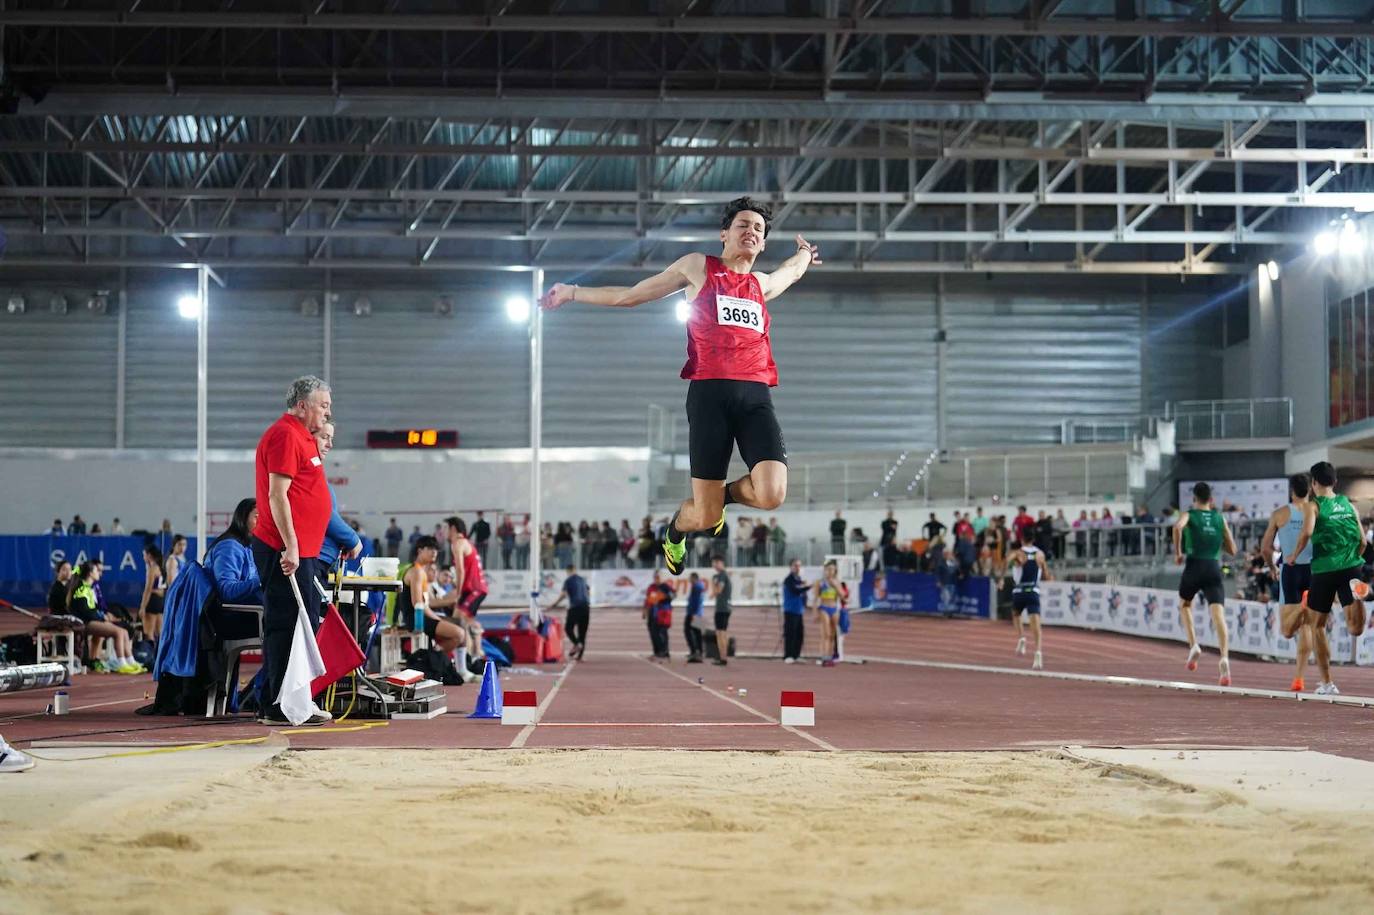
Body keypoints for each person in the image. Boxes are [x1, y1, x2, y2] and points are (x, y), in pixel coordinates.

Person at [542, 197, 820, 575]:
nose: (751, 232)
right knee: (705, 517)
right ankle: (675, 531)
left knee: (771, 495)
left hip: (756, 397)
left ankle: (719, 498)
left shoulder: (760, 284)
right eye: (743, 225)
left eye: (758, 228)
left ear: (763, 243)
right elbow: (630, 296)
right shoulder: (698, 267)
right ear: (724, 234)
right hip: (709, 397)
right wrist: (571, 291)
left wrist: (804, 253)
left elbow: (792, 271)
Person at [251, 375, 335, 726]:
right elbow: (276, 495)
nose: (328, 411)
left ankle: (294, 701)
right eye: (323, 405)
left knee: (301, 625)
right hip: (284, 549)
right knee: (286, 625)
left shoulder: (303, 437)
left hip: (303, 550)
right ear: (303, 406)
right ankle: (278, 705)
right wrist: (291, 545)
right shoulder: (286, 435)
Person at [1289, 461, 1369, 662]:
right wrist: (1353, 560)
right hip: (1351, 569)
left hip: (1324, 571)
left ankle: (1327, 683)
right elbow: (1363, 541)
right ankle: (1359, 593)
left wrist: (1293, 555)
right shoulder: (1349, 505)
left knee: (1317, 626)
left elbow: (1306, 532)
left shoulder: (1313, 506)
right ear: (1335, 481)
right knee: (1356, 629)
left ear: (1313, 483)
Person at [1260, 474, 1332, 694]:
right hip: (1314, 570)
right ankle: (1299, 678)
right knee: (1310, 626)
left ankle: (1299, 679)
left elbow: (1265, 548)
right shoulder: (1316, 510)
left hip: (1290, 570)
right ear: (1310, 489)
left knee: (1288, 630)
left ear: (1291, 490)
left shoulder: (1280, 514)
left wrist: (1272, 568)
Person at [1172, 482, 1238, 686]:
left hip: (1193, 566)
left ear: (1194, 498)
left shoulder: (1190, 514)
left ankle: (1194, 645)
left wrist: (1178, 553)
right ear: (1211, 499)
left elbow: (1177, 527)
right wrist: (1218, 542)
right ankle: (1224, 657)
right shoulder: (1219, 518)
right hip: (1213, 567)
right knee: (1218, 614)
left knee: (1184, 604)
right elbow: (1233, 550)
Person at [397, 537, 473, 678]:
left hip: (424, 615)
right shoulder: (416, 572)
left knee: (460, 624)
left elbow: (426, 602)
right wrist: (438, 619)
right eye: (430, 549)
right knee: (459, 634)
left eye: (436, 550)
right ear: (420, 550)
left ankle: (456, 667)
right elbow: (418, 605)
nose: (434, 553)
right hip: (416, 619)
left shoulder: (422, 572)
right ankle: (432, 660)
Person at [67, 560, 141, 674]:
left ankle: (131, 661)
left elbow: (94, 607)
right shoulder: (81, 590)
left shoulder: (89, 588)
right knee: (118, 632)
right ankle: (121, 664)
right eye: (97, 570)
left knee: (124, 631)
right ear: (90, 573)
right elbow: (86, 611)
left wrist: (104, 616)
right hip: (84, 623)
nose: (99, 573)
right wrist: (103, 618)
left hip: (92, 620)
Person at [313, 421, 364, 579]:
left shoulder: (316, 471)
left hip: (322, 558)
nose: (330, 444)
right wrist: (352, 538)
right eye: (324, 437)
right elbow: (324, 513)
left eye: (331, 439)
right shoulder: (308, 471)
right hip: (315, 557)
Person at [437, 516, 487, 675]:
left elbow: (460, 570)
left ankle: (470, 660)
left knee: (459, 622)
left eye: (445, 528)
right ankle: (470, 659)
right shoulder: (467, 543)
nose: (443, 532)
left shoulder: (457, 544)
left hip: (472, 589)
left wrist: (458, 592)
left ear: (453, 529)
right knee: (464, 622)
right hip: (475, 588)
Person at [1008, 531, 1051, 671]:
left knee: (1015, 614)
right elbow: (1046, 574)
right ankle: (1038, 651)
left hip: (1019, 591)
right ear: (1033, 540)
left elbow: (1006, 560)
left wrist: (1002, 577)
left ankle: (1021, 637)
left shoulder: (1018, 553)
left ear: (1021, 539)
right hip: (1033, 591)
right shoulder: (1040, 554)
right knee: (1036, 623)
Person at [547, 564, 591, 661]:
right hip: (586, 607)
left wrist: (552, 605)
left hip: (575, 607)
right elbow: (588, 591)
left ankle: (576, 644)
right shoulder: (582, 580)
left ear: (568, 571)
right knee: (582, 632)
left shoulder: (568, 581)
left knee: (568, 628)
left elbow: (563, 595)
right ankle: (580, 656)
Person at [812, 559, 843, 667]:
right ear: (824, 571)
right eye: (828, 569)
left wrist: (836, 587)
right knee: (826, 634)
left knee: (832, 635)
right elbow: (815, 599)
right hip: (824, 608)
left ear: (835, 571)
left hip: (834, 609)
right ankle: (824, 656)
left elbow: (843, 596)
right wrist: (815, 612)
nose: (830, 572)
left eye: (832, 570)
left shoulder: (837, 582)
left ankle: (830, 657)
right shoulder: (819, 582)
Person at [781, 559, 808, 663]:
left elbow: (802, 592)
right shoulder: (789, 580)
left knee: (799, 633)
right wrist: (808, 587)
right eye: (795, 565)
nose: (797, 568)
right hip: (790, 610)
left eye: (799, 566)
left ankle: (796, 654)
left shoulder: (799, 579)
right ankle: (788, 655)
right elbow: (796, 591)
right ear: (790, 567)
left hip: (799, 610)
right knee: (790, 633)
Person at [138, 543, 167, 644]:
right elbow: (162, 589)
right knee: (160, 633)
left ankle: (150, 657)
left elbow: (148, 589)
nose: (143, 557)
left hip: (152, 602)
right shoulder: (161, 568)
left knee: (149, 633)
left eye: (144, 555)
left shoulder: (152, 569)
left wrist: (142, 607)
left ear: (149, 555)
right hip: (160, 602)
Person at [643, 570, 674, 660]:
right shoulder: (651, 587)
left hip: (663, 613)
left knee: (662, 632)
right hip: (652, 612)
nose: (656, 579)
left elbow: (673, 595)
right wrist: (645, 611)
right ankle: (656, 651)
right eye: (655, 577)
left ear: (661, 578)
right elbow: (648, 600)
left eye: (658, 577)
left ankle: (665, 651)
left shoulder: (665, 587)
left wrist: (663, 596)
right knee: (653, 633)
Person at [709, 555, 733, 666]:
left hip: (722, 608)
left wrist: (713, 585)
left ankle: (723, 657)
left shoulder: (721, 575)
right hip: (723, 607)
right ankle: (722, 656)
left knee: (721, 633)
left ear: (720, 562)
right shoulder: (721, 575)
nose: (714, 565)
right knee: (720, 633)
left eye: (715, 563)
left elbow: (718, 590)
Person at [681, 571, 707, 662]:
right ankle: (699, 651)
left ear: (694, 578)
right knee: (698, 633)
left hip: (694, 613)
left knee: (688, 631)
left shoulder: (696, 587)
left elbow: (695, 602)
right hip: (699, 613)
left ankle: (694, 651)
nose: (689, 580)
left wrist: (693, 613)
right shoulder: (700, 586)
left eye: (690, 578)